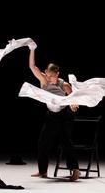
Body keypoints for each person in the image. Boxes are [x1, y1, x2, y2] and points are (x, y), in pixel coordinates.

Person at [28, 45, 80, 181]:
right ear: (45, 72)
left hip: (63, 117)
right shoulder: (43, 80)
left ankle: (75, 170)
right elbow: (32, 66)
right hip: (51, 116)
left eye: (53, 76)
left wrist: (73, 103)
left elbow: (74, 98)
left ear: (57, 74)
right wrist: (32, 49)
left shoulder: (64, 85)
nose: (50, 78)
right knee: (42, 143)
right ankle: (43, 171)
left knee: (66, 143)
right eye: (48, 75)